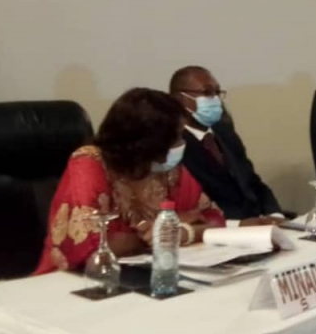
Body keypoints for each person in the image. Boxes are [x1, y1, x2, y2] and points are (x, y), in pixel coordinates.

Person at [35, 88, 225, 274]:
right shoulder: (89, 162)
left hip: (145, 271)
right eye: (174, 138)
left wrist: (182, 232)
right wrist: (154, 235)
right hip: (76, 278)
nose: (180, 144)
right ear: (148, 142)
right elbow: (88, 245)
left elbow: (215, 220)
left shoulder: (169, 167)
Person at [169, 66, 284, 226]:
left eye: (217, 92)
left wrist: (275, 214)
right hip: (219, 230)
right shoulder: (173, 144)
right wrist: (238, 225)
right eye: (207, 92)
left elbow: (252, 181)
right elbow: (191, 208)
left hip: (259, 225)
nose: (215, 99)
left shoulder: (224, 132)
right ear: (179, 99)